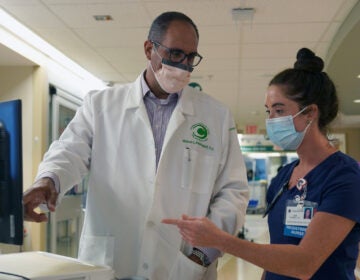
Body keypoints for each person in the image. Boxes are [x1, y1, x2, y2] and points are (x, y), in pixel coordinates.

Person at [23, 11, 249, 280]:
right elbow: (69, 151)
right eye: (176, 54)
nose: (184, 65)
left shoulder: (215, 116)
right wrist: (48, 180)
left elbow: (233, 191)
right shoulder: (101, 105)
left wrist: (201, 253)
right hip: (111, 263)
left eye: (191, 58)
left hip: (183, 265)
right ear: (148, 48)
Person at [163, 48, 360, 280]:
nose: (271, 121)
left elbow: (304, 263)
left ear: (310, 113)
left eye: (279, 110)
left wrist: (220, 240)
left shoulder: (345, 176)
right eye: (269, 111)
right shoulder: (284, 177)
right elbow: (276, 253)